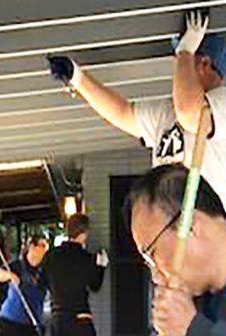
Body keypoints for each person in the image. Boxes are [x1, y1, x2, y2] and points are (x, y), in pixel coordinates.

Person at [48, 9, 226, 206]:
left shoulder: (222, 102)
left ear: (204, 63)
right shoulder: (168, 110)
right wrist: (78, 78)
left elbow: (191, 114)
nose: (175, 67)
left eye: (180, 61)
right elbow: (124, 113)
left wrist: (185, 52)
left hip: (203, 228)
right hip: (173, 224)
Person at [125, 164, 226, 336]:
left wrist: (194, 333)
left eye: (152, 253)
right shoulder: (196, 303)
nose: (156, 275)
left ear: (191, 225)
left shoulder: (192, 322)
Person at [41, 214, 109, 336]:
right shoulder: (87, 258)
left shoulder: (51, 255)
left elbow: (42, 282)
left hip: (59, 318)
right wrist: (101, 266)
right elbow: (95, 286)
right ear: (84, 233)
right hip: (81, 318)